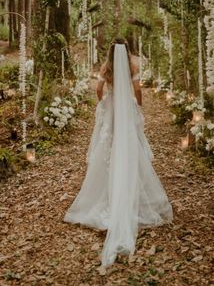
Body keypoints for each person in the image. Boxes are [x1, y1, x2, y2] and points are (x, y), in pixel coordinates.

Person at [64, 37, 173, 267]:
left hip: (113, 108)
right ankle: (129, 182)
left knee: (109, 144)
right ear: (126, 52)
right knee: (129, 143)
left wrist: (105, 101)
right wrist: (138, 104)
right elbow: (137, 89)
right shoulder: (132, 67)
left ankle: (106, 188)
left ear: (112, 52)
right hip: (124, 109)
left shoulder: (106, 67)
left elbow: (99, 88)